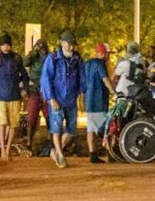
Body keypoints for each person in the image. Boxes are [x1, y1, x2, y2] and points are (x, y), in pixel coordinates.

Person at [40, 30, 82, 169]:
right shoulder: (53, 58)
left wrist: (81, 91)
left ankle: (56, 151)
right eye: (67, 43)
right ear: (62, 43)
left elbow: (81, 77)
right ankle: (60, 154)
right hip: (56, 99)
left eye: (72, 44)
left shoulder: (77, 59)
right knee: (56, 127)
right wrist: (51, 98)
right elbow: (46, 79)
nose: (70, 46)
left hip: (71, 99)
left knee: (71, 130)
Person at [0, 34, 28, 159]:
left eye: (8, 45)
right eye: (3, 45)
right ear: (0, 46)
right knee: (2, 124)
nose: (6, 47)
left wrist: (24, 89)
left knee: (14, 125)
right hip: (0, 98)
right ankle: (3, 150)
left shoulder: (17, 59)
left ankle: (8, 149)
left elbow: (24, 76)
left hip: (15, 97)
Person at [82, 42, 113, 163]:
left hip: (89, 100)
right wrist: (115, 92)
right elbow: (105, 79)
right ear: (102, 53)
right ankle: (111, 153)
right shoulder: (100, 64)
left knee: (90, 128)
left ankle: (92, 153)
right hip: (99, 100)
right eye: (107, 54)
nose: (108, 56)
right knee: (106, 129)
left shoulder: (87, 64)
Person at [23, 38, 50, 150]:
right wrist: (34, 51)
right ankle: (29, 143)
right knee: (31, 118)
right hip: (34, 89)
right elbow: (25, 62)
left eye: (42, 47)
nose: (41, 49)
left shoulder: (48, 58)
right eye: (39, 46)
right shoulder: (33, 57)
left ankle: (51, 141)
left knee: (49, 116)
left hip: (46, 90)